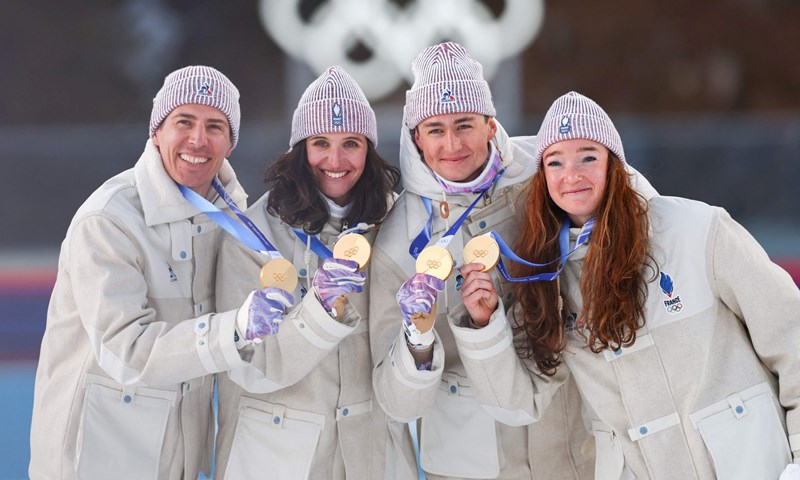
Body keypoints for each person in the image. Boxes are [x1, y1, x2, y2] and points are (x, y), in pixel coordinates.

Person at [454, 91, 800, 479]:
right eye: (555, 161)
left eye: (588, 157)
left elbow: (791, 337)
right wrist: (483, 324)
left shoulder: (697, 230)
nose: (572, 174)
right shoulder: (544, 277)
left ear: (614, 164)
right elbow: (518, 402)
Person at [369, 42, 607, 479]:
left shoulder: (548, 174)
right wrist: (416, 338)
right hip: (466, 461)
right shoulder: (397, 236)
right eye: (435, 129)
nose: (452, 144)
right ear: (416, 136)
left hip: (571, 443)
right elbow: (395, 403)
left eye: (465, 124)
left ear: (490, 125)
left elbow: (631, 211)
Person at [29, 66, 278, 480]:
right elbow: (125, 351)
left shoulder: (237, 223)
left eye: (214, 126)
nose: (197, 140)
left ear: (230, 143)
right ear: (157, 131)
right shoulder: (108, 220)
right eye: (184, 122)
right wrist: (234, 329)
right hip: (94, 461)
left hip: (178, 460)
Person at [212, 66, 417, 479]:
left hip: (374, 454)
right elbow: (248, 367)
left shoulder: (399, 224)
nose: (335, 161)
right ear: (299, 150)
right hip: (277, 459)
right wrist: (318, 310)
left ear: (369, 150)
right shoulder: (252, 236)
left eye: (351, 143)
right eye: (320, 143)